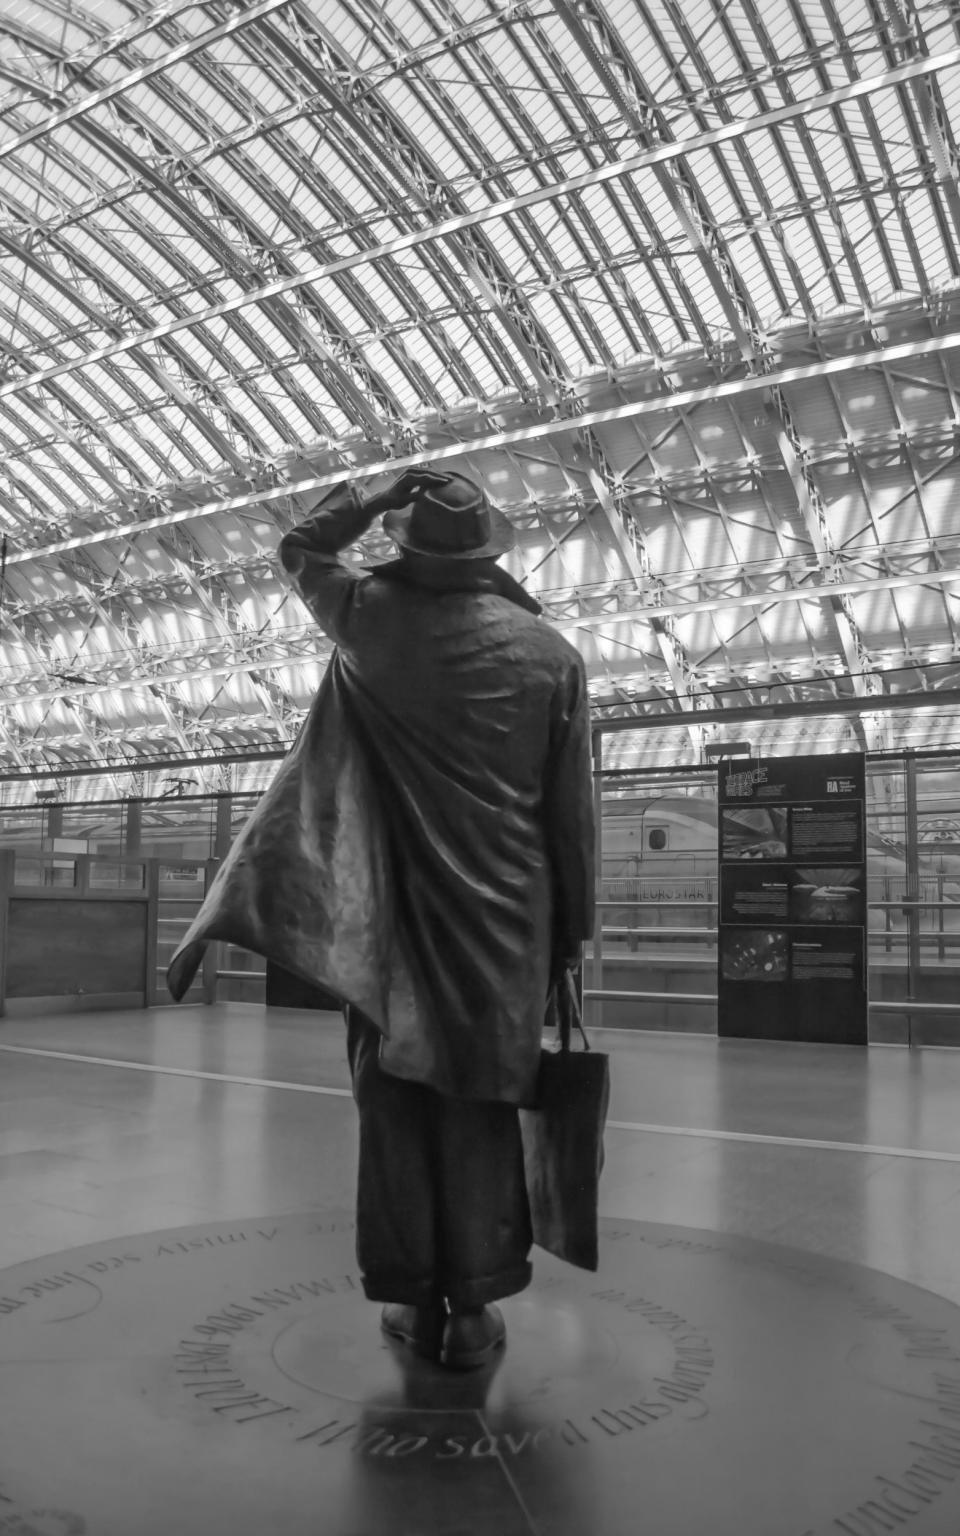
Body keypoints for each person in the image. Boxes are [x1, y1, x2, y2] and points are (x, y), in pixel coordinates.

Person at [167, 467, 595, 1369]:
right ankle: (477, 1307)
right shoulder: (552, 655)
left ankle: (409, 1298)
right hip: (509, 926)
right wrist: (573, 934)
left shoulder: (366, 616)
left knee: (393, 1100)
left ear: (408, 544)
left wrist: (376, 490)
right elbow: (570, 816)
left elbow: (300, 545)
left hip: (390, 919)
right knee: (486, 1101)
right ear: (488, 552)